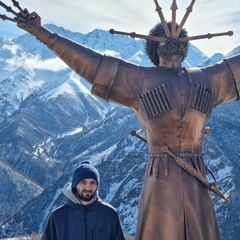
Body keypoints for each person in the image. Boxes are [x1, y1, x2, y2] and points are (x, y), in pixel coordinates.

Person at [1, 1, 240, 240]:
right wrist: (40, 33)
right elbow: (92, 64)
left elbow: (95, 66)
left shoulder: (143, 80)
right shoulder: (209, 80)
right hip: (186, 178)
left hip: (163, 178)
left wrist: (41, 33)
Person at [41, 161, 125, 240]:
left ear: (97, 185)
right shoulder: (57, 216)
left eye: (92, 182)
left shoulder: (110, 214)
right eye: (83, 182)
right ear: (75, 185)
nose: (88, 187)